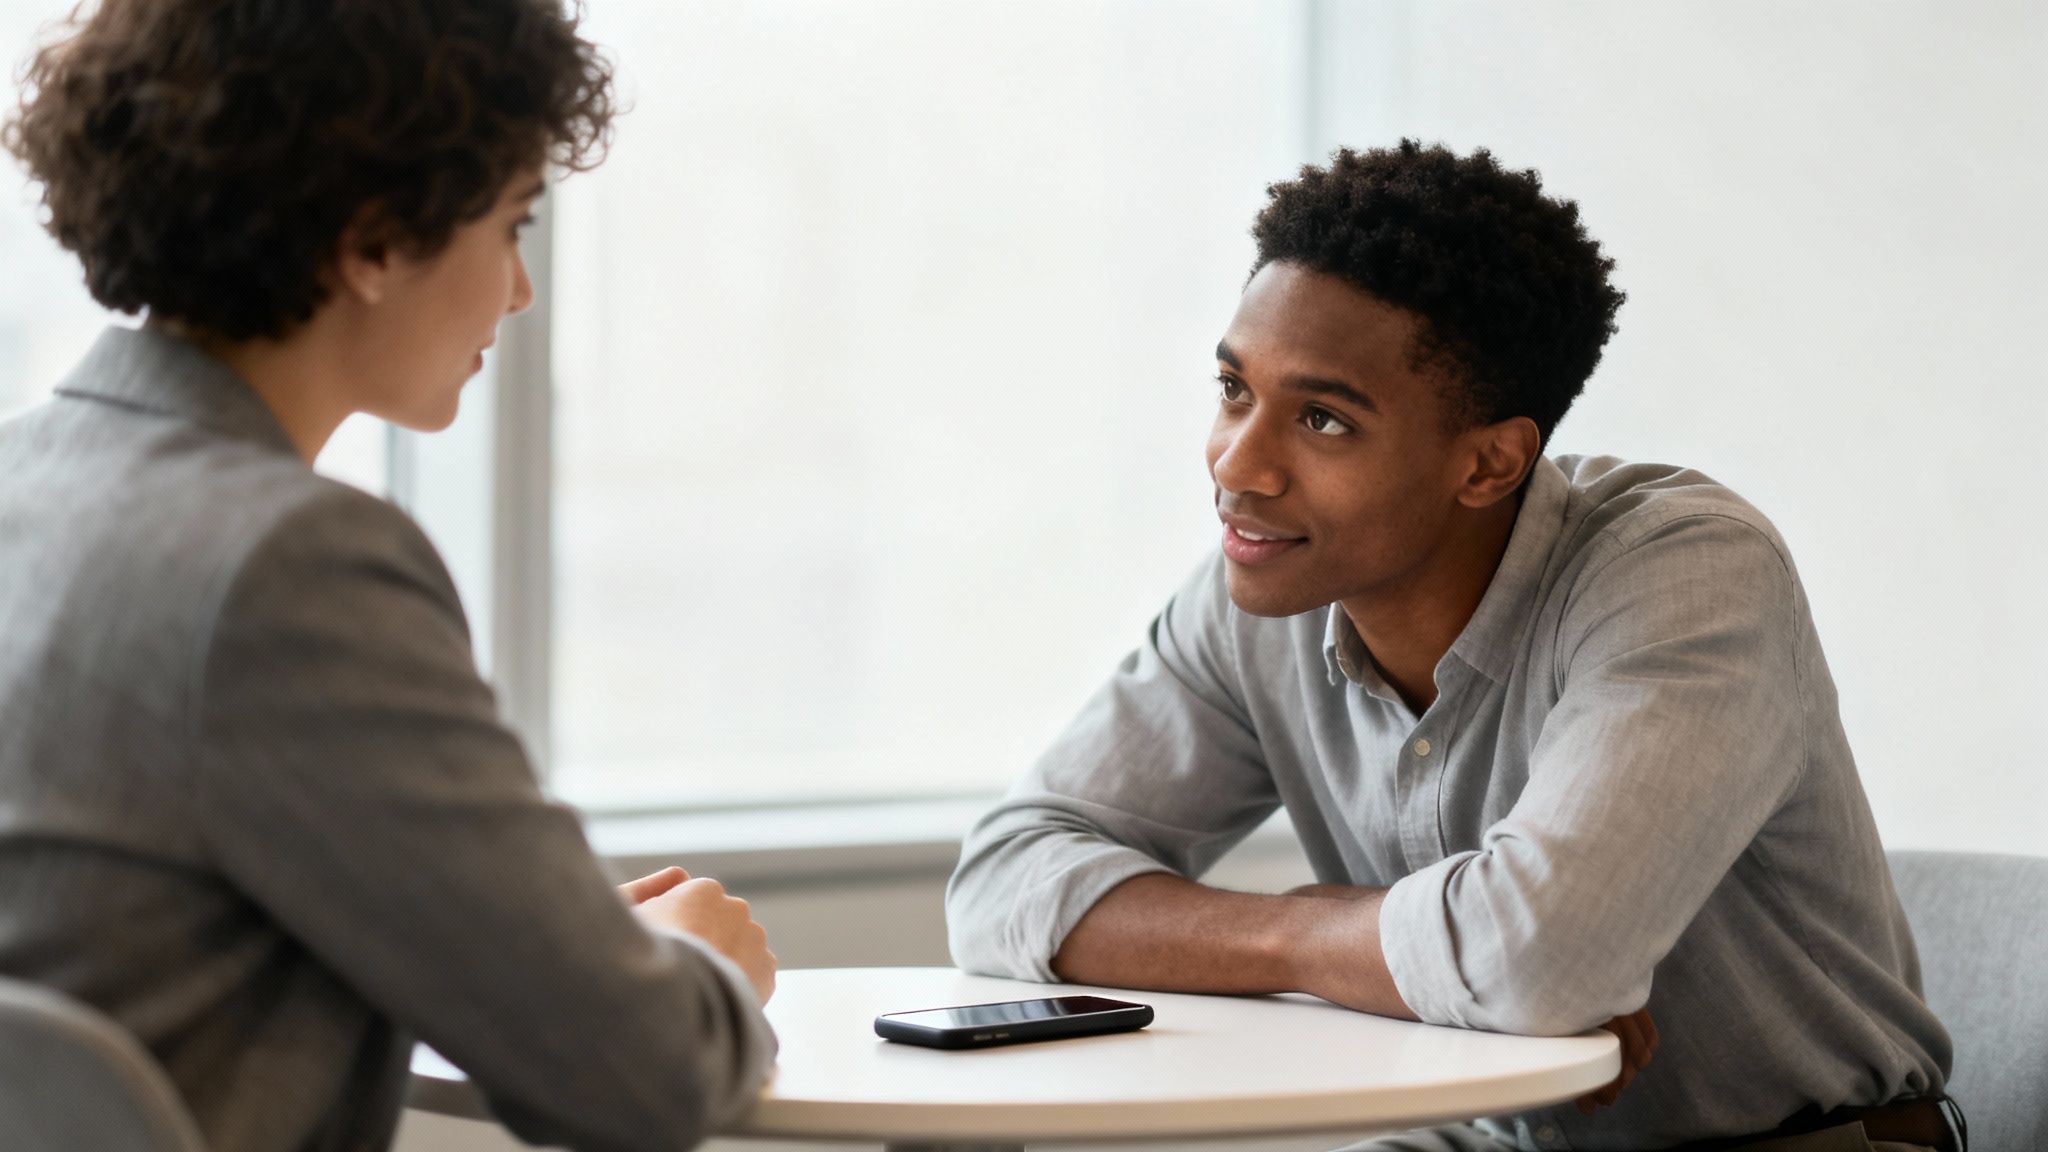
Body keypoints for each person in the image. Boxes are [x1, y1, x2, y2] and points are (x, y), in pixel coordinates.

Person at [946, 141, 1957, 1152]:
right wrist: (1314, 933)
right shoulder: (1263, 593)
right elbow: (1001, 883)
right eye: (1232, 390)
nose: (1238, 465)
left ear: (1487, 464)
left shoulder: (1684, 575)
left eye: (1321, 419)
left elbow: (1534, 962)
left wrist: (1354, 938)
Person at [0, 3, 774, 1150]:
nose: (518, 292)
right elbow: (642, 1078)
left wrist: (543, 946)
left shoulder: (25, 484)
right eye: (511, 225)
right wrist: (696, 971)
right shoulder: (288, 567)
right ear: (373, 239)